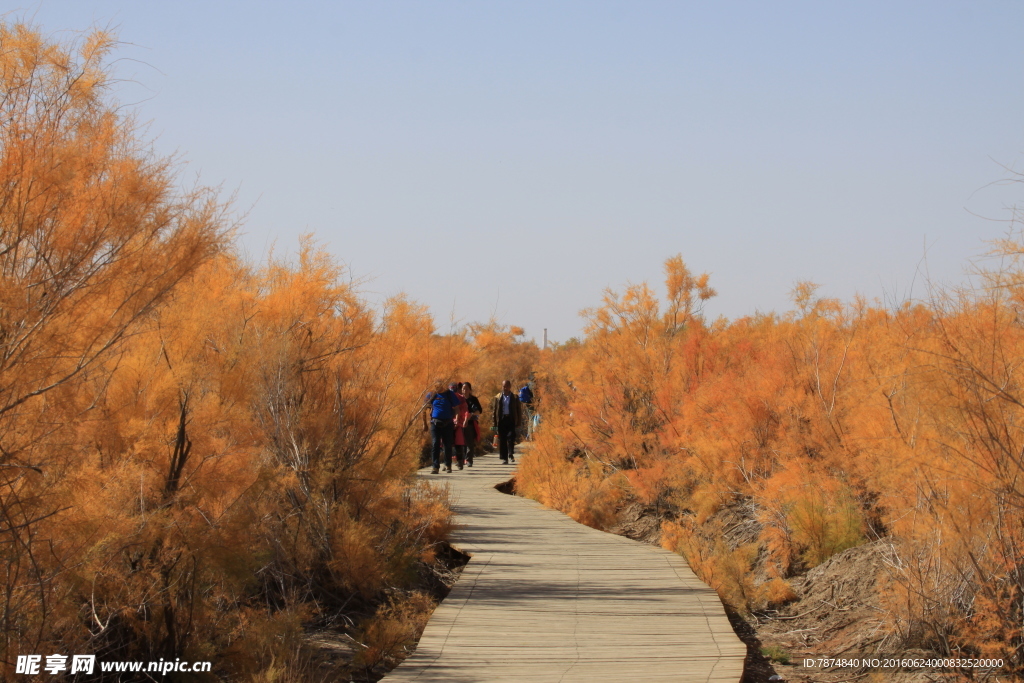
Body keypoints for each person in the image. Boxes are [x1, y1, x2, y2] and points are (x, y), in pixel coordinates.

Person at [422, 378, 461, 474]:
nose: (438, 388)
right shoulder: (431, 395)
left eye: (440, 386)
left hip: (448, 423)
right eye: (436, 386)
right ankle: (435, 467)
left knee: (447, 444)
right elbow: (424, 409)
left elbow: (457, 408)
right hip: (435, 423)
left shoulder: (449, 394)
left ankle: (448, 465)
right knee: (435, 443)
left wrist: (457, 419)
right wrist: (424, 423)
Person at [491, 380, 523, 464]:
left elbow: (519, 410)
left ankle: (510, 453)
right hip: (501, 420)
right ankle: (504, 458)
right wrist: (494, 423)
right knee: (503, 439)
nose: (505, 388)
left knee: (511, 437)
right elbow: (494, 410)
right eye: (504, 386)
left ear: (510, 387)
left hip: (511, 419)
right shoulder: (498, 397)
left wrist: (518, 423)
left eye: (507, 386)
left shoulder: (515, 397)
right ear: (502, 387)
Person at [459, 382, 483, 466]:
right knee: (460, 442)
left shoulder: (473, 399)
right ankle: (461, 459)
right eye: (463, 388)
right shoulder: (459, 399)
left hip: (470, 423)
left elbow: (479, 411)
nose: (464, 390)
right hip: (460, 423)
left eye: (466, 388)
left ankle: (469, 460)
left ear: (470, 390)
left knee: (469, 442)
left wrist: (471, 414)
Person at [450, 382, 467, 470]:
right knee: (446, 444)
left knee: (458, 444)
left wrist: (462, 420)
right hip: (448, 423)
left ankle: (460, 462)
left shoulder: (461, 398)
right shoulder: (446, 397)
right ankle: (447, 463)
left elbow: (465, 410)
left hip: (458, 423)